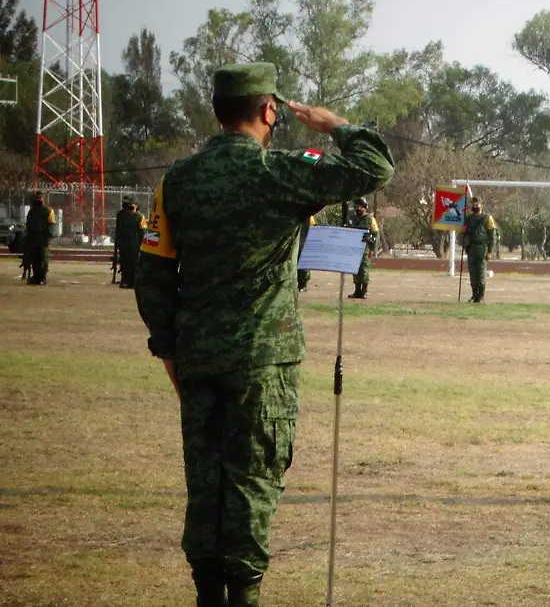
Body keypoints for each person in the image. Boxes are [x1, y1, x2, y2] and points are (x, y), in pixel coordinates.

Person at [135, 62, 394, 606]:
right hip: (263, 360)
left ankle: (207, 595)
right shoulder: (280, 173)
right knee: (253, 481)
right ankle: (244, 598)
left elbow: (153, 272)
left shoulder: (177, 181)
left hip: (198, 358)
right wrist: (332, 125)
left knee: (205, 484)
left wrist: (168, 348)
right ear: (269, 110)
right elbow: (374, 167)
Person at [462, 196, 497, 303]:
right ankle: (474, 295)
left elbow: (492, 236)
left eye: (477, 205)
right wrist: (466, 246)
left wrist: (490, 251)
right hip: (471, 248)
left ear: (481, 205)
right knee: (473, 273)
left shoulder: (487, 218)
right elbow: (465, 234)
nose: (475, 206)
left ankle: (480, 296)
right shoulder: (468, 219)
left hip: (482, 248)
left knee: (481, 273)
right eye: (473, 205)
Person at [347, 197, 379, 299]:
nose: (357, 208)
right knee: (355, 270)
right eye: (356, 206)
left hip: (365, 248)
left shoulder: (370, 219)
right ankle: (357, 290)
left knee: (364, 269)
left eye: (359, 206)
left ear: (364, 208)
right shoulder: (353, 219)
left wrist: (372, 249)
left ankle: (364, 291)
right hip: (354, 248)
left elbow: (375, 234)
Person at [114, 197, 147, 288]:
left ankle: (125, 280)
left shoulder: (120, 215)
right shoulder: (139, 216)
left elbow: (117, 231)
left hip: (124, 244)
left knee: (125, 263)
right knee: (133, 263)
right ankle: (132, 281)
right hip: (134, 245)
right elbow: (143, 232)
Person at [24, 190, 56, 285]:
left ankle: (42, 278)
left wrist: (49, 238)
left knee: (43, 259)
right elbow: (28, 225)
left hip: (43, 238)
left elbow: (51, 225)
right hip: (33, 238)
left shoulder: (48, 210)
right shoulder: (32, 211)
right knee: (34, 259)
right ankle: (36, 277)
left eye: (40, 197)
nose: (38, 199)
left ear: (43, 198)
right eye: (37, 197)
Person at [296, 215, 316, 292]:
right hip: (302, 240)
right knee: (302, 263)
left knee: (302, 263)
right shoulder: (308, 215)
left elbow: (313, 226)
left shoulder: (309, 216)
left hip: (302, 240)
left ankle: (302, 284)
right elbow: (313, 226)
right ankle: (301, 284)